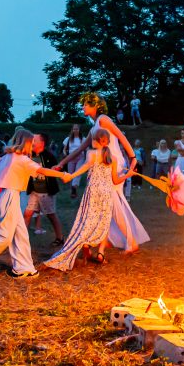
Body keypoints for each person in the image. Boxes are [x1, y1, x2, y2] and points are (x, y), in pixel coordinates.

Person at [0, 129, 69, 278]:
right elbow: (42, 170)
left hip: (7, 196)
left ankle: (23, 268)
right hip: (10, 197)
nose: (32, 146)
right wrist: (62, 175)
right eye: (31, 143)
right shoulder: (22, 159)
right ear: (25, 143)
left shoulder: (6, 157)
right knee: (4, 235)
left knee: (20, 233)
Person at [55, 93, 149, 254]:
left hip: (114, 164)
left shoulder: (104, 119)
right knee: (108, 204)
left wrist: (133, 157)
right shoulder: (94, 128)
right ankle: (107, 239)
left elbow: (121, 136)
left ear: (95, 105)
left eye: (85, 104)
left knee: (113, 203)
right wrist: (62, 163)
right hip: (102, 166)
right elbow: (80, 149)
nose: (83, 107)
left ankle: (130, 242)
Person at [44, 129, 135, 269]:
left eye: (92, 139)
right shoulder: (112, 158)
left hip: (93, 191)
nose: (90, 142)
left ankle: (86, 242)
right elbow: (116, 181)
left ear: (97, 141)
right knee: (104, 222)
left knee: (88, 219)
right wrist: (128, 175)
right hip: (106, 192)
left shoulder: (91, 154)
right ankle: (101, 252)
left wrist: (71, 176)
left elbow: (84, 167)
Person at [23, 133, 64, 246]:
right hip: (34, 190)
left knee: (51, 215)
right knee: (27, 213)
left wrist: (57, 169)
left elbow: (57, 169)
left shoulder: (49, 156)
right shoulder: (29, 155)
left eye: (34, 140)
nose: (32, 141)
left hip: (46, 191)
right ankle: (23, 239)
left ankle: (60, 238)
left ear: (42, 143)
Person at [62, 124, 85, 198]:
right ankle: (73, 189)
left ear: (79, 130)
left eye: (77, 129)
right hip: (71, 157)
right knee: (70, 174)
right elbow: (64, 149)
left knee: (78, 172)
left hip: (80, 156)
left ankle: (74, 188)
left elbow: (86, 149)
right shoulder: (68, 139)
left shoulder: (83, 139)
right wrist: (65, 154)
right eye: (74, 129)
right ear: (72, 130)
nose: (75, 130)